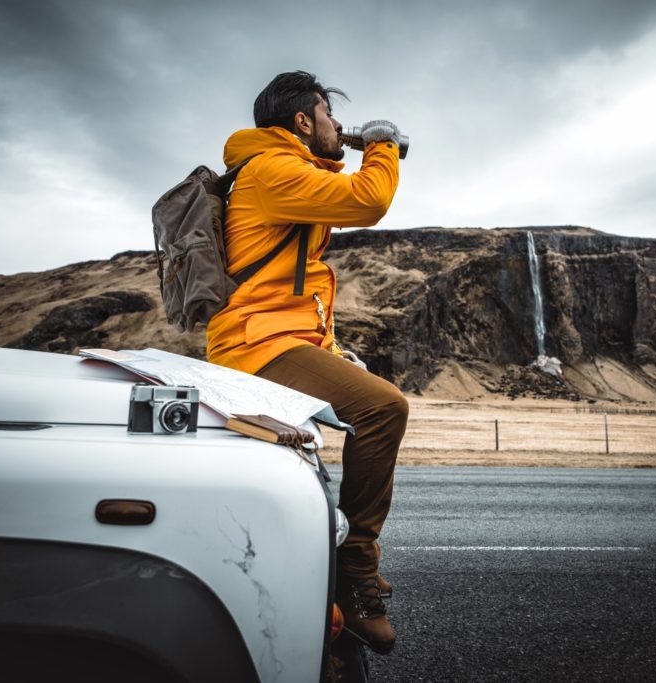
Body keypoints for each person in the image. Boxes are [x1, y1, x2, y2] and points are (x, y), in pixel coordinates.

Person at [206, 70, 407, 654]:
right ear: (302, 121)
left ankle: (332, 553)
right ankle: (356, 568)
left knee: (366, 398)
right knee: (383, 408)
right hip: (255, 344)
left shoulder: (285, 171)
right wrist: (383, 143)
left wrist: (332, 350)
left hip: (278, 338)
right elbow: (370, 200)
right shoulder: (271, 170)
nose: (338, 127)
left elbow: (294, 288)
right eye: (329, 115)